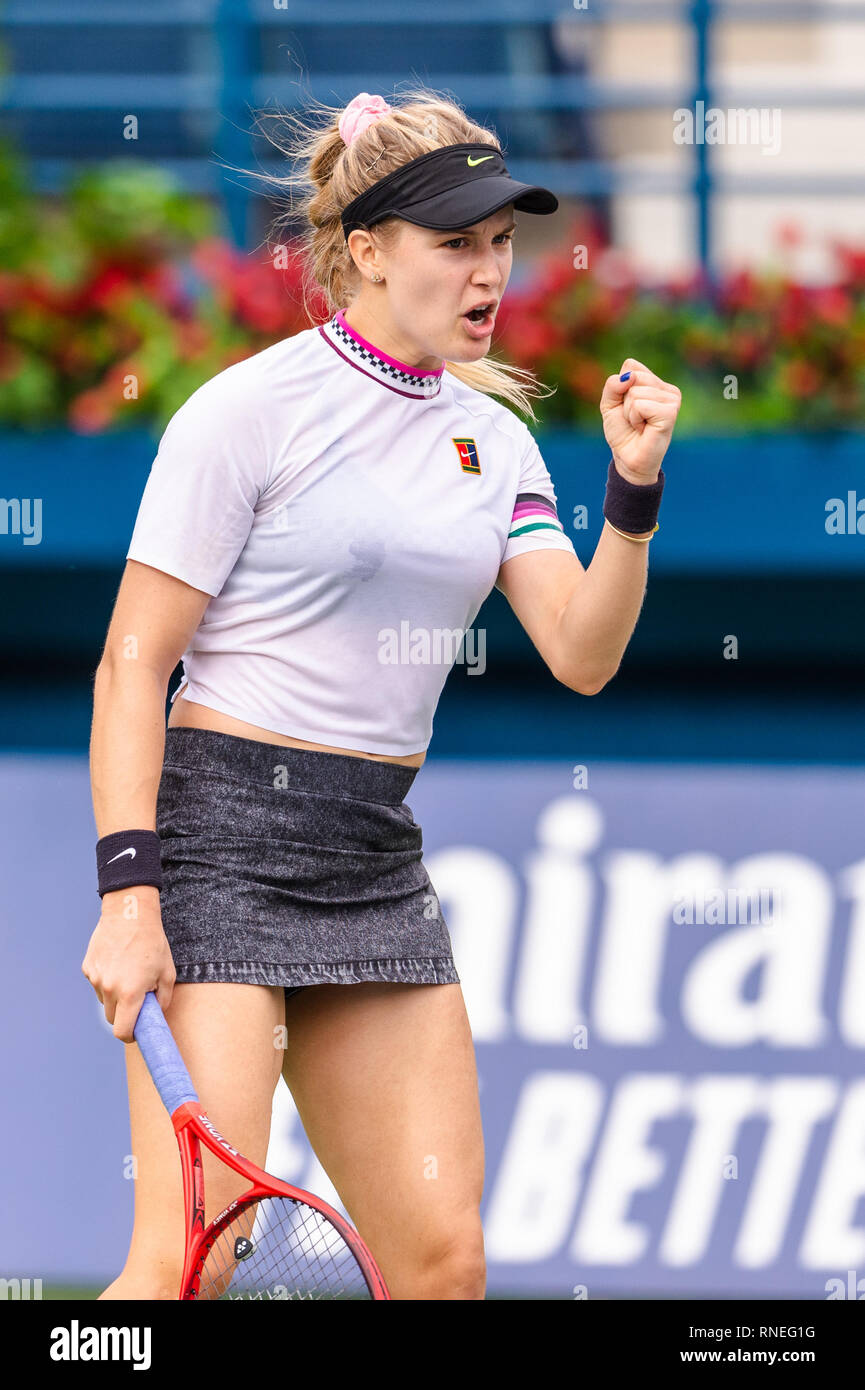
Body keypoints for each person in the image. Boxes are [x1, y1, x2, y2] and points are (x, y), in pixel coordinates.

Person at [82, 87, 680, 1301]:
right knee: (191, 1263)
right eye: (455, 242)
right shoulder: (246, 413)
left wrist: (630, 492)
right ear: (364, 251)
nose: (489, 270)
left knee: (442, 1264)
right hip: (218, 846)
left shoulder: (498, 441)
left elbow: (581, 651)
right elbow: (131, 661)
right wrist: (130, 892)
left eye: (502, 242)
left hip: (370, 853)